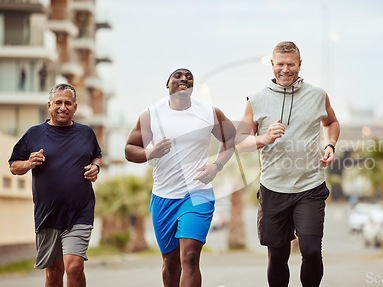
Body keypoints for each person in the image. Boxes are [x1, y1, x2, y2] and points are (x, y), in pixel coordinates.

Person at [236, 41, 340, 287]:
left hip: (310, 186)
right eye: (280, 64)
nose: (285, 69)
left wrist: (330, 146)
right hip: (274, 188)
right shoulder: (257, 100)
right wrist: (264, 138)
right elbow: (240, 142)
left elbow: (332, 122)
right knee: (278, 256)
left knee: (311, 250)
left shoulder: (318, 95)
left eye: (290, 64)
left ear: (300, 64)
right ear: (272, 65)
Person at [124, 67, 235, 287]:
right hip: (163, 196)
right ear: (168, 84)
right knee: (171, 263)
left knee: (190, 258)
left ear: (192, 86)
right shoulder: (152, 114)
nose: (184, 79)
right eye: (178, 76)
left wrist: (216, 165)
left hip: (198, 194)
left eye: (189, 77)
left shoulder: (209, 113)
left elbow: (230, 139)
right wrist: (151, 153)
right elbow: (129, 149)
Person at [9, 83, 102, 287]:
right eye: (58, 102)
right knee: (54, 272)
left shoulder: (86, 133)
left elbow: (97, 155)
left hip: (80, 211)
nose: (63, 107)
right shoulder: (34, 134)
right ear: (49, 105)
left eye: (68, 103)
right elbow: (14, 166)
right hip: (48, 214)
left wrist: (96, 167)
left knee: (74, 266)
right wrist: (28, 163)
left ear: (75, 107)